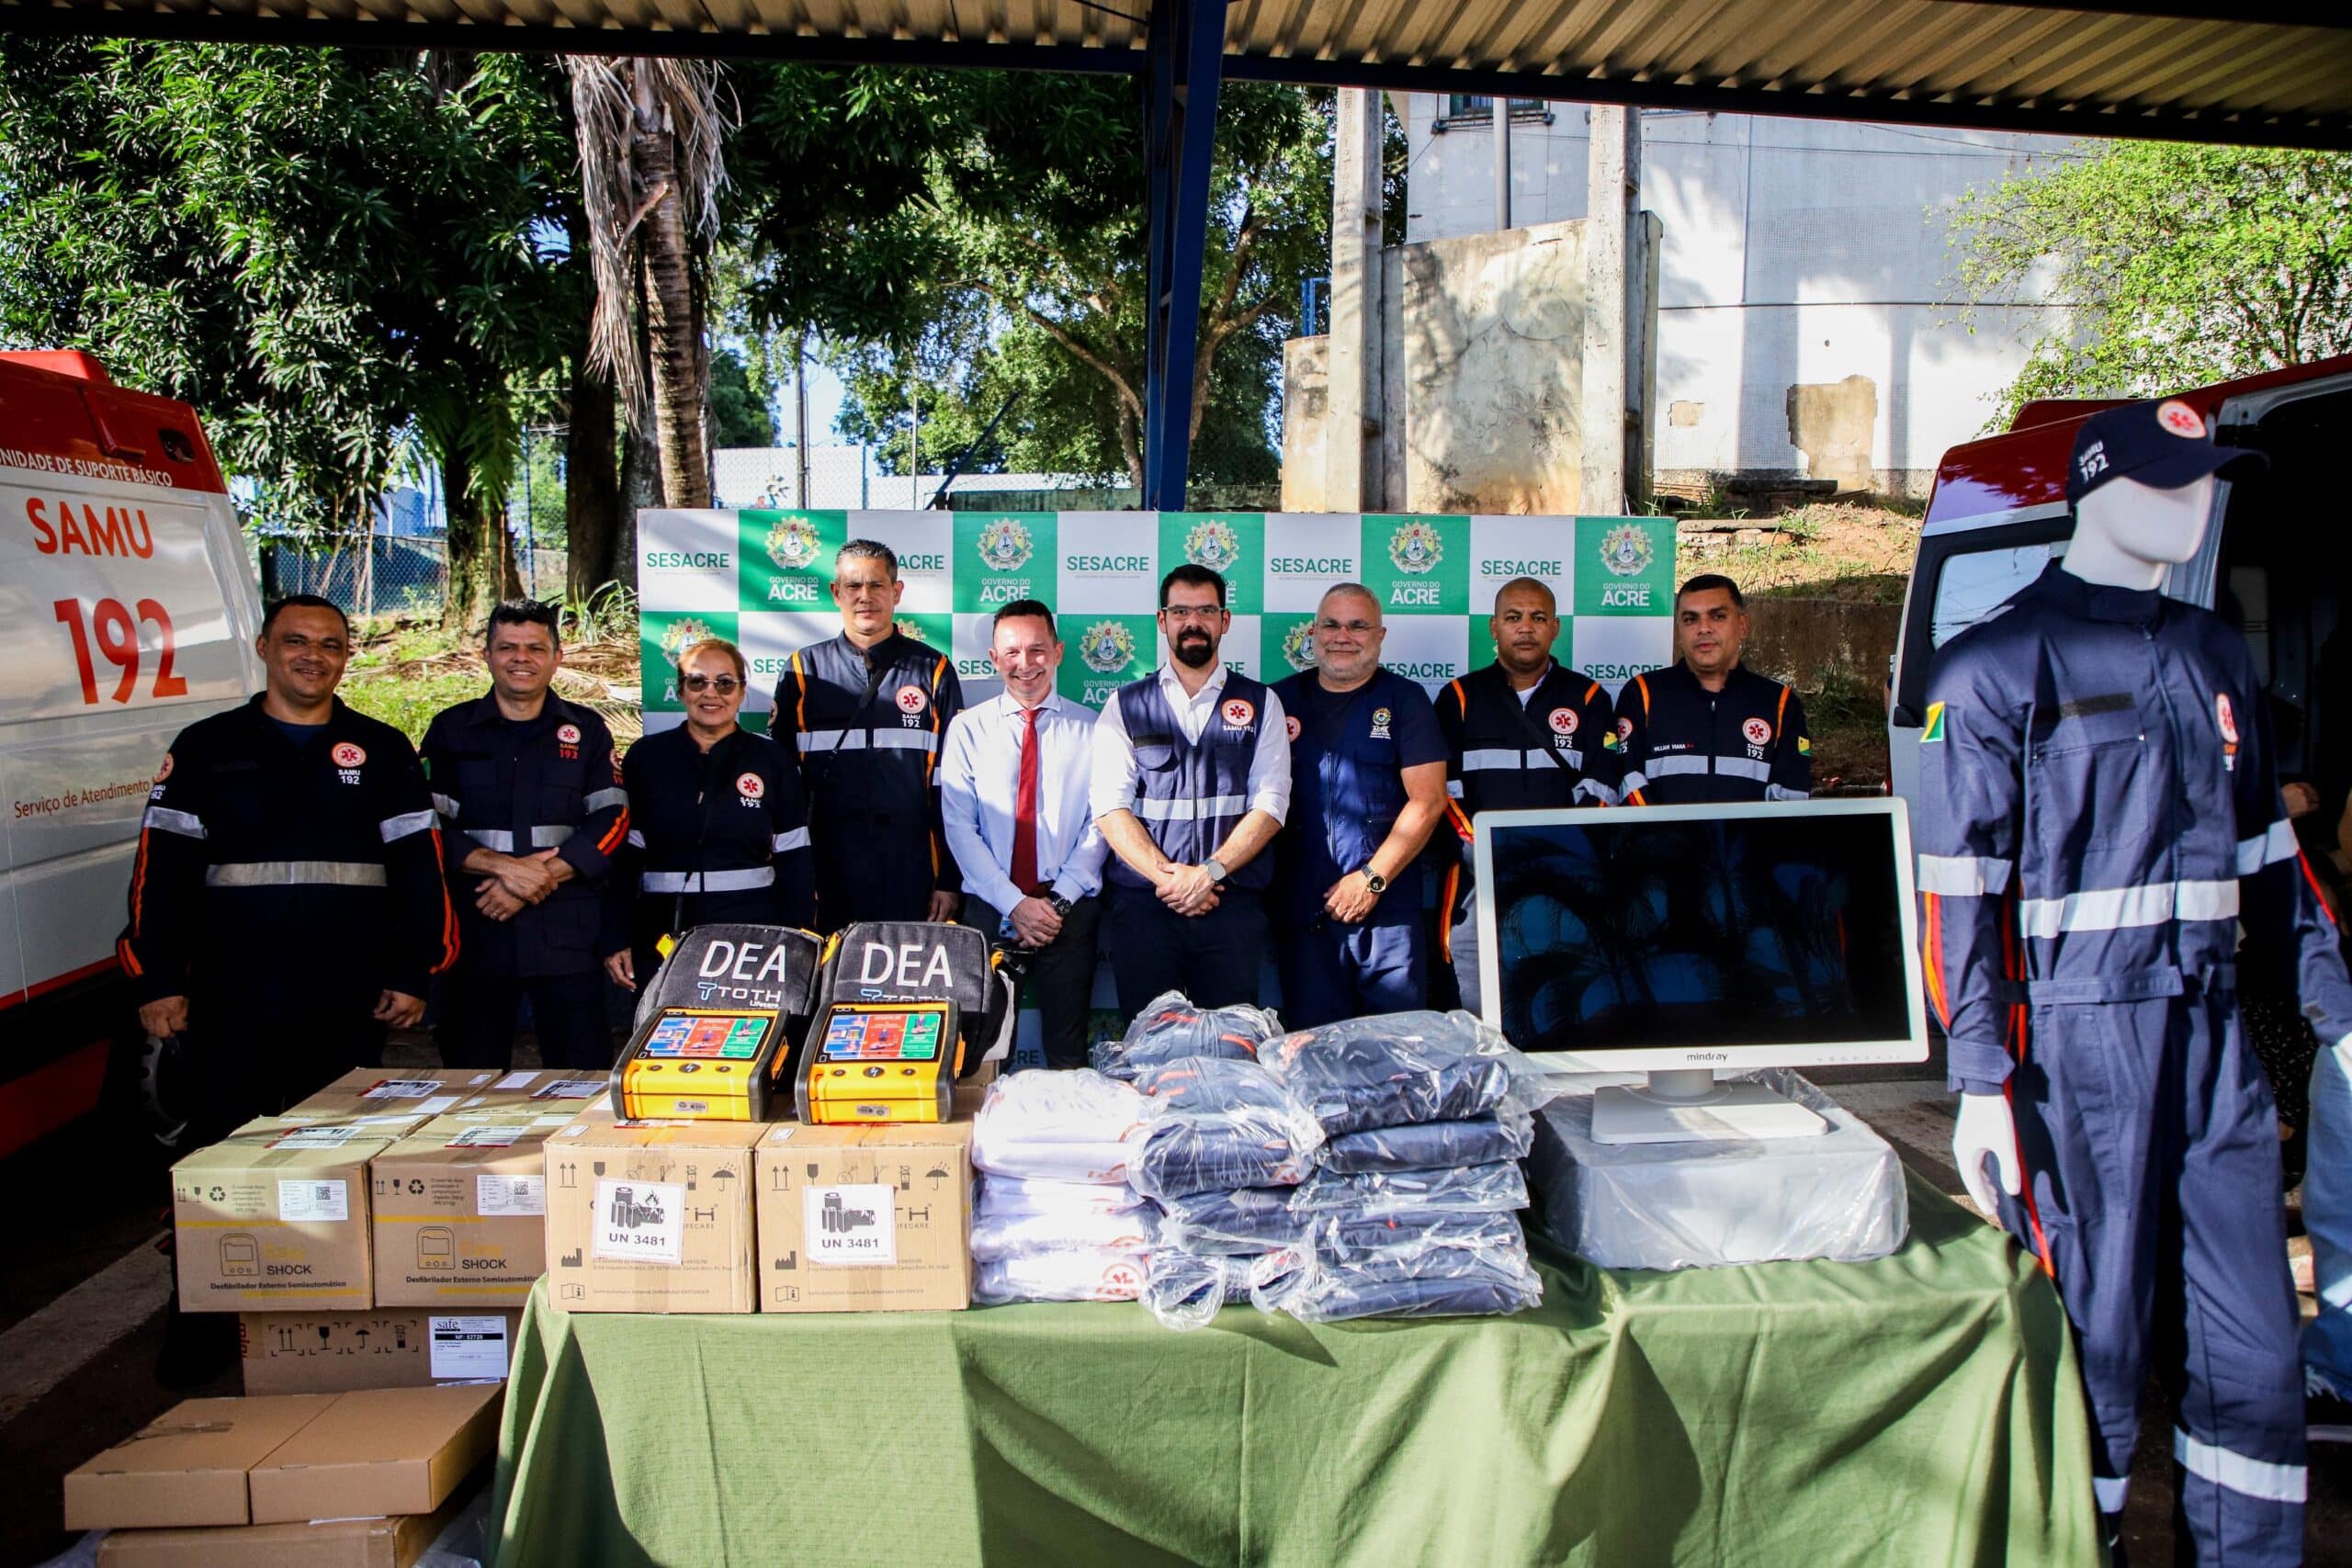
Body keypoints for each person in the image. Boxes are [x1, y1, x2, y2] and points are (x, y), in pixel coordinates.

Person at [1922, 399, 2350, 1554]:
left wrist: (2336, 1014)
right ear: (2098, 490)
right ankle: (2084, 1543)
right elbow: (1956, 896)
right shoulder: (1994, 665)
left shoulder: (2212, 653)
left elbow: (2268, 853)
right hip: (2076, 1050)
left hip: (2212, 1037)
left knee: (2251, 1344)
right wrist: (1979, 1078)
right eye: (2169, 483)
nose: (2194, 504)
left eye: (2205, 482)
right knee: (2096, 1340)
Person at [119, 594, 457, 1138]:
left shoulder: (384, 750)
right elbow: (159, 876)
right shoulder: (207, 746)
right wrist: (156, 980)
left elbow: (421, 873)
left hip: (347, 998)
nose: (313, 656)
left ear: (346, 657)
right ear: (263, 647)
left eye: (330, 645)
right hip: (230, 997)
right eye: (295, 641)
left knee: (334, 1151)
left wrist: (414, 972)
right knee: (230, 1149)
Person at [422, 600, 628, 1071]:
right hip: (478, 931)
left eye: (535, 648)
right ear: (486, 655)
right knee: (470, 1077)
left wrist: (544, 875)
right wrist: (505, 869)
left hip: (566, 938)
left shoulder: (586, 730)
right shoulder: (451, 730)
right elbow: (429, 827)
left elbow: (613, 821)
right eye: (507, 647)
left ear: (557, 657)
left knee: (578, 1076)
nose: (521, 658)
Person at [1091, 564, 1291, 1016]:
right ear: (1162, 621)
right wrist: (1171, 880)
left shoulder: (1263, 703)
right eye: (1181, 611)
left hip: (1230, 904)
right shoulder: (1125, 704)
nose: (1193, 622)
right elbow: (1109, 808)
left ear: (1225, 620)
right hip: (1146, 906)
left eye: (1206, 611)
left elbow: (1271, 804)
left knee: (1229, 1045)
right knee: (1148, 1045)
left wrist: (1208, 875)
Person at [1432, 576, 1623, 1013]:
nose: (1525, 628)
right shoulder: (1459, 697)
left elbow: (1602, 789)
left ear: (1555, 628)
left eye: (1538, 618)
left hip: (1565, 884)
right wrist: (1486, 850)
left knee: (1563, 1005)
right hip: (1478, 883)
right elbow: (1443, 792)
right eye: (1513, 617)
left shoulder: (1589, 697)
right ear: (1493, 627)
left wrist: (1557, 853)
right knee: (1475, 1008)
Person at [1268, 583, 1450, 1028]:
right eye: (1331, 625)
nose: (1342, 636)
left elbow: (1429, 800)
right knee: (1312, 1051)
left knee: (1394, 1051)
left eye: (1358, 626)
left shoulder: (1406, 701)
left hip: (1386, 917)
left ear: (1380, 635)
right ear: (1313, 633)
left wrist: (1371, 879)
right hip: (1304, 915)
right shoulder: (1277, 701)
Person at [938, 602, 1108, 1067]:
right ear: (995, 659)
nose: (1025, 663)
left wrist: (1058, 902)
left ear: (1058, 652)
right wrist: (1014, 904)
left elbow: (1102, 822)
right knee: (977, 1054)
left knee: (1067, 1053)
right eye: (1012, 652)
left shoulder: (1094, 728)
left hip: (1068, 910)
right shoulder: (967, 730)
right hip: (989, 907)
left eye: (1037, 650)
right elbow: (960, 827)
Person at [603, 637, 815, 999]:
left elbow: (795, 857)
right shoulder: (646, 757)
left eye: (725, 683)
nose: (711, 693)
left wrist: (798, 937)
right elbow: (625, 861)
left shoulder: (772, 759)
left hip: (751, 930)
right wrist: (616, 937)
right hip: (662, 931)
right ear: (681, 690)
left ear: (743, 692)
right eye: (698, 682)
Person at [772, 539, 963, 931]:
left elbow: (954, 788)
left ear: (897, 591)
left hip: (912, 869)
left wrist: (948, 879)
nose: (865, 596)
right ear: (835, 593)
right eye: (853, 586)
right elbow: (782, 788)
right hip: (826, 870)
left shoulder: (934, 669)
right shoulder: (803, 670)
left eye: (877, 585)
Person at [1617, 573, 1811, 805]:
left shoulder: (1780, 702)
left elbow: (1791, 795)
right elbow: (1627, 779)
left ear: (1742, 626)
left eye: (1718, 616)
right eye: (1690, 619)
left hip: (1750, 831)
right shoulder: (1642, 694)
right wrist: (1666, 829)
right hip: (1659, 830)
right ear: (1679, 630)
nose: (1704, 628)